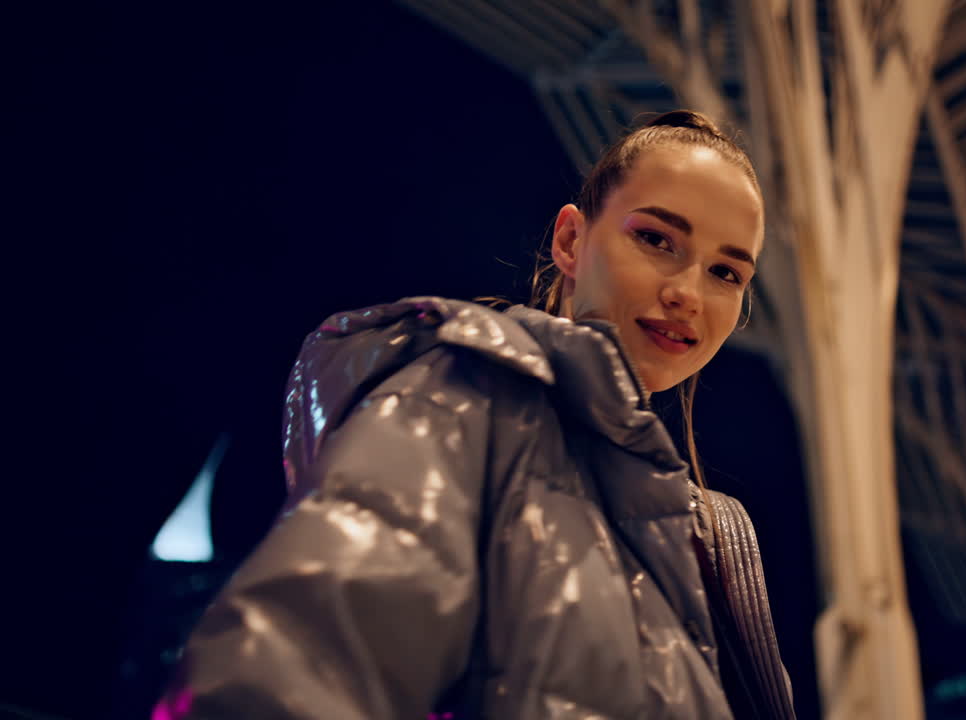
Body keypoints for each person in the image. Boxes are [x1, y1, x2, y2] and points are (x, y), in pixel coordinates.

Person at [155, 110, 795, 719]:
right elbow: (291, 666)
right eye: (656, 238)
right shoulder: (470, 396)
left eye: (725, 272)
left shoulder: (708, 531)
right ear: (572, 240)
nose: (687, 293)